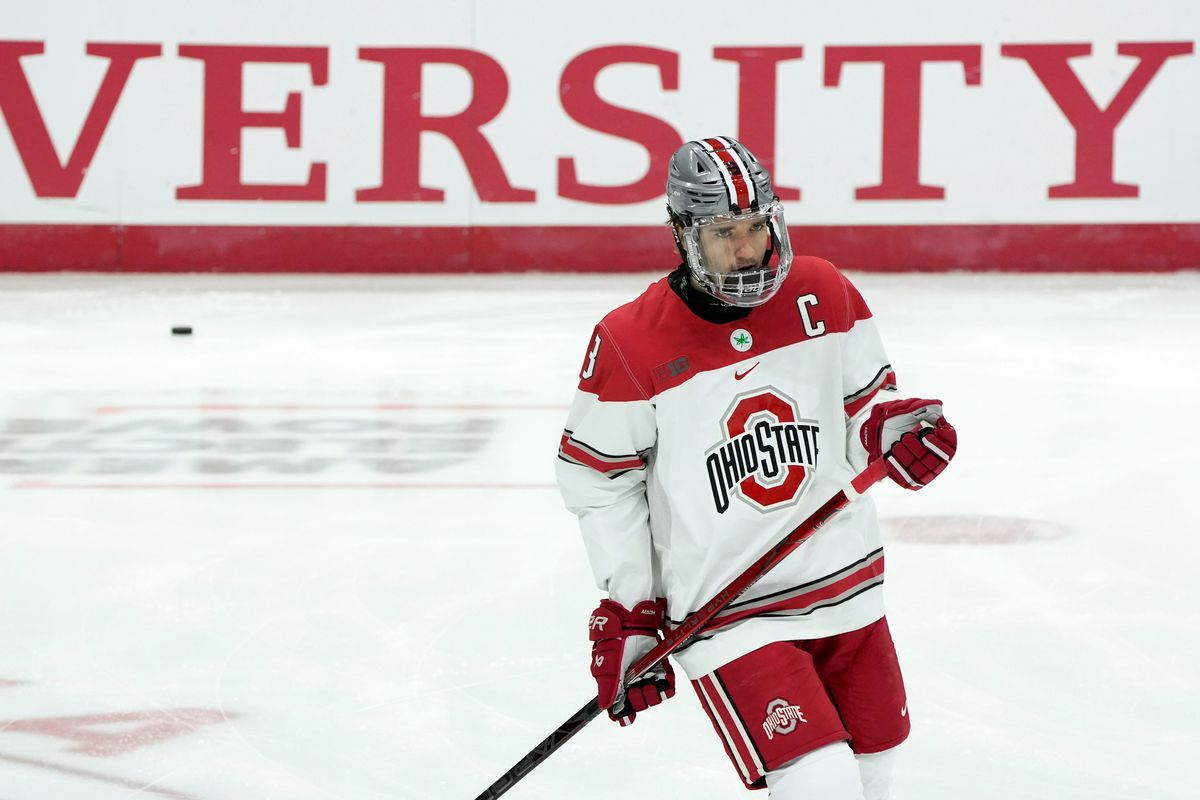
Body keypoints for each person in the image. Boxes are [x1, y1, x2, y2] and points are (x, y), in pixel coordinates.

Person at [555, 135, 957, 800]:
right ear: (683, 236)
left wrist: (895, 433)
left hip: (845, 579)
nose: (746, 250)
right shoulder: (631, 342)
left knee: (875, 770)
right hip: (729, 607)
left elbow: (866, 412)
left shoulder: (823, 291)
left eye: (754, 229)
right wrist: (632, 607)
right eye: (724, 235)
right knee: (822, 784)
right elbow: (599, 481)